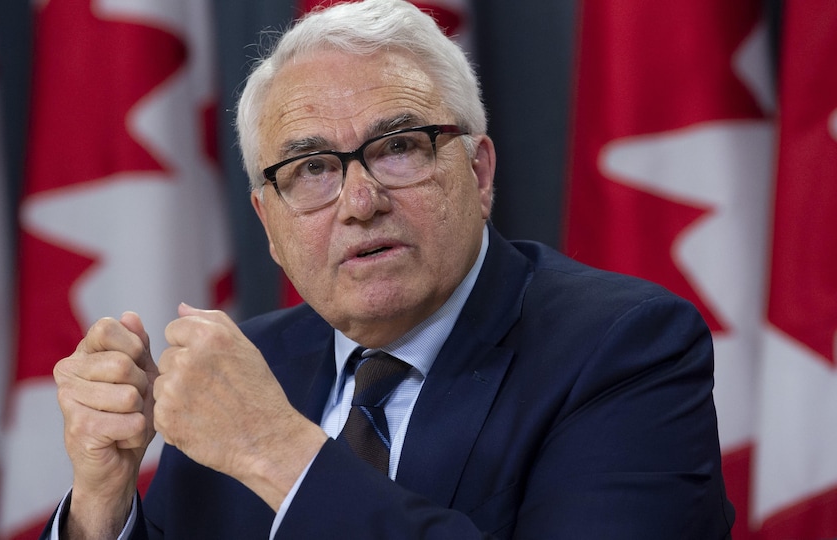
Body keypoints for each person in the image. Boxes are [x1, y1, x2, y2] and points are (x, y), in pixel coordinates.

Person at [44, 0, 735, 538]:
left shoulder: (624, 348)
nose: (360, 201)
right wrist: (99, 512)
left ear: (479, 170)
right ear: (269, 225)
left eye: (399, 146)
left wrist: (278, 452)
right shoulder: (249, 367)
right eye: (312, 168)